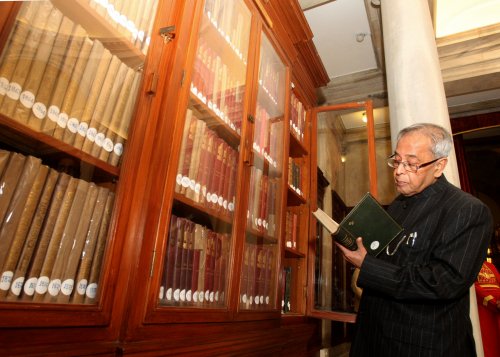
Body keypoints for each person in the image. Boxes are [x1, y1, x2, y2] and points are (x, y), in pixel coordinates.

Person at [337, 123, 493, 356]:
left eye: (411, 163)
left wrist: (367, 265)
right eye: (396, 160)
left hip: (421, 345)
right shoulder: (399, 205)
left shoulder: (467, 210)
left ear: (439, 166)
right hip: (373, 338)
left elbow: (442, 282)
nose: (399, 171)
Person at [474, 260, 500, 357]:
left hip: (497, 306)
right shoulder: (470, 263)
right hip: (483, 309)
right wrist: (492, 302)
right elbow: (473, 287)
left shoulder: (490, 265)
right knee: (489, 342)